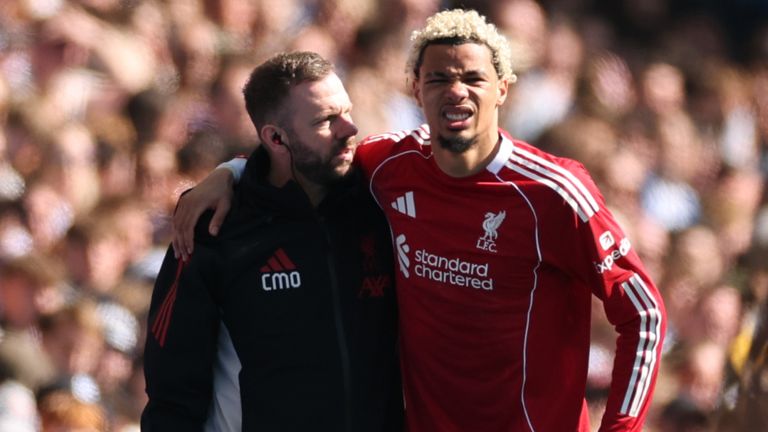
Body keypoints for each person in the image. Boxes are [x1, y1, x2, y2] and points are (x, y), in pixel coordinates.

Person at [174, 10, 666, 431]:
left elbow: (643, 313)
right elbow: (305, 156)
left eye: (473, 78)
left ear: (503, 89)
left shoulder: (553, 192)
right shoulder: (389, 165)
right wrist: (233, 170)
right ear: (415, 88)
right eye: (438, 78)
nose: (456, 92)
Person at [141, 51, 402, 431]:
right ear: (276, 138)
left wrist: (231, 168)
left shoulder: (378, 199)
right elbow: (171, 393)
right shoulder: (214, 229)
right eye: (326, 120)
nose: (349, 128)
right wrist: (233, 173)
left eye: (346, 111)